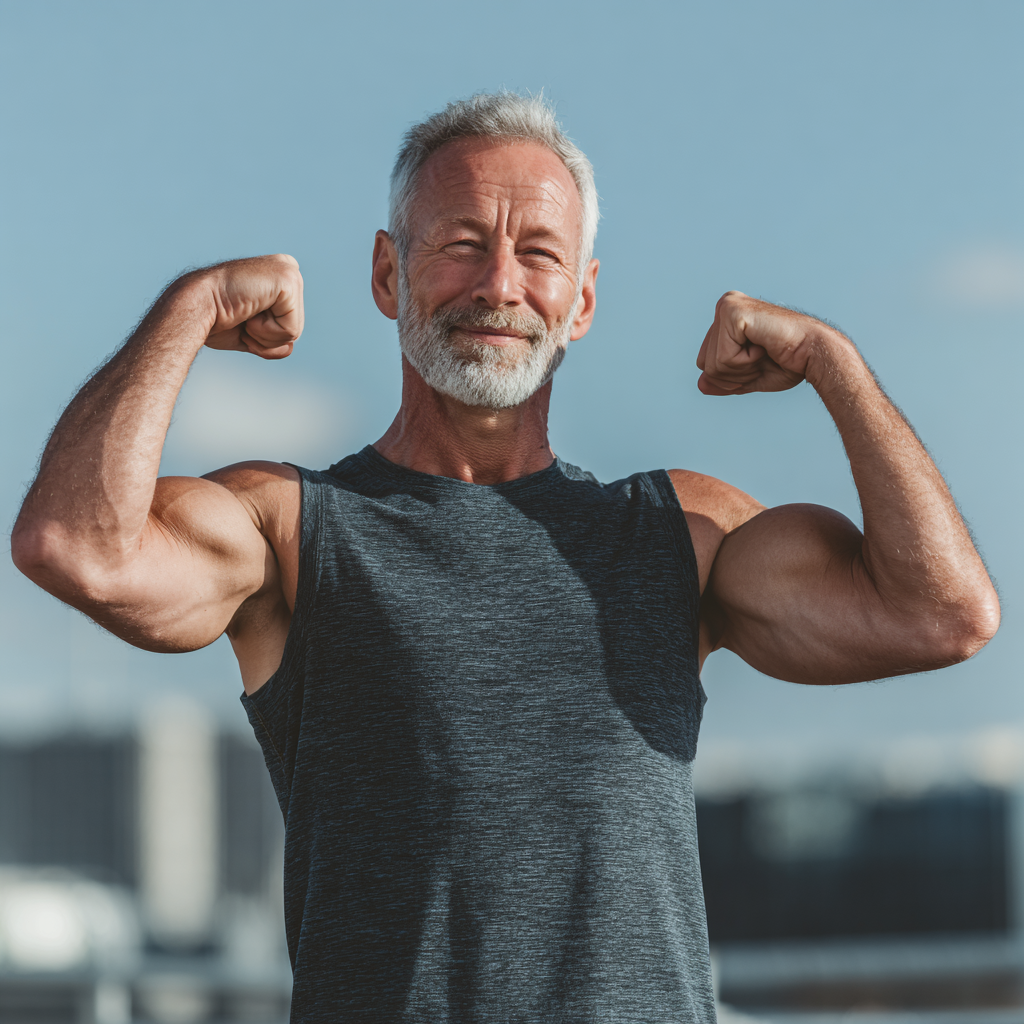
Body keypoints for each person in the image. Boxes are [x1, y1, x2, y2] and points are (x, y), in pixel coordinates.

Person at [12, 92, 999, 1022]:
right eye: (462, 245)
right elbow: (76, 547)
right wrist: (189, 308)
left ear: (580, 301)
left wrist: (835, 365)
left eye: (538, 253)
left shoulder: (679, 534)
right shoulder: (289, 527)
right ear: (388, 274)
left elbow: (941, 612)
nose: (499, 284)